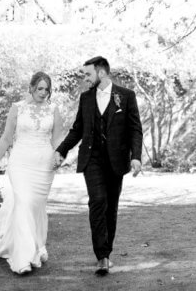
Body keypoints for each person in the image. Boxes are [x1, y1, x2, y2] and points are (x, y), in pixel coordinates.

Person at [53, 56, 143, 276]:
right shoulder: (86, 98)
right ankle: (101, 256)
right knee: (98, 201)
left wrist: (136, 157)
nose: (84, 78)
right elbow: (77, 129)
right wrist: (61, 150)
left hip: (116, 161)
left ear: (101, 73)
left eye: (88, 74)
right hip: (92, 159)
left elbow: (135, 129)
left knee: (111, 207)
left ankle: (107, 252)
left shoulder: (126, 96)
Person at [0, 71, 64, 275]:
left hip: (44, 165)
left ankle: (37, 246)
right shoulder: (17, 108)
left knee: (36, 207)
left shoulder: (54, 110)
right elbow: (6, 139)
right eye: (40, 88)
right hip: (20, 163)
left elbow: (57, 139)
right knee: (23, 202)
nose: (43, 93)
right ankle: (24, 258)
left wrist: (59, 157)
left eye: (47, 89)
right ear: (31, 88)